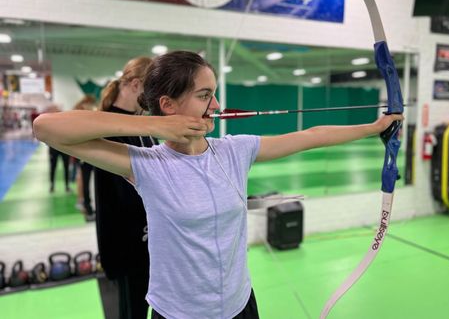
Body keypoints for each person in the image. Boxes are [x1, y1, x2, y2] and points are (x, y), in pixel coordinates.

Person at [33, 51, 403, 319]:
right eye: (204, 95)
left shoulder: (234, 151)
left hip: (240, 306)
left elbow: (311, 135)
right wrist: (154, 127)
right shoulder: (146, 164)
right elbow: (46, 128)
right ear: (168, 104)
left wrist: (373, 129)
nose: (216, 103)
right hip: (178, 314)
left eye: (214, 93)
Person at [94, 56, 153, 319]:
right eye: (150, 91)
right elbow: (123, 195)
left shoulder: (142, 124)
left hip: (148, 241)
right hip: (127, 245)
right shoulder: (109, 126)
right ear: (136, 85)